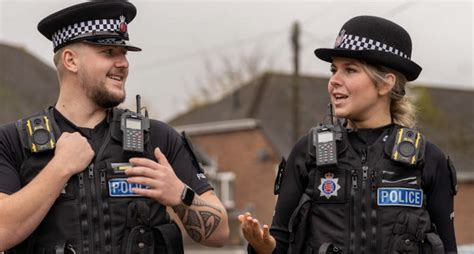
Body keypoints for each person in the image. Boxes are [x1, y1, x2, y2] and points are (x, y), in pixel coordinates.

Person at [0, 1, 229, 253]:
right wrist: (59, 168)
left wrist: (180, 194)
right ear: (70, 60)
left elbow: (220, 234)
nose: (123, 63)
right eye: (109, 52)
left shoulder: (157, 138)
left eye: (124, 53)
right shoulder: (13, 142)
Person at [239, 15, 458, 254]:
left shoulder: (428, 159)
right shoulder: (308, 152)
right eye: (334, 69)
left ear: (385, 84)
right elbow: (279, 245)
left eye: (350, 70)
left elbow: (448, 248)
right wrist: (263, 247)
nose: (334, 80)